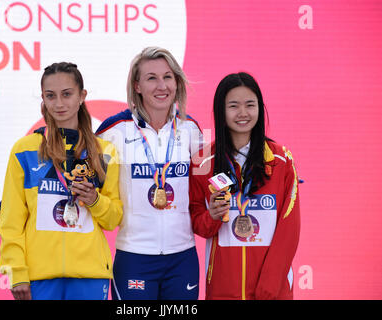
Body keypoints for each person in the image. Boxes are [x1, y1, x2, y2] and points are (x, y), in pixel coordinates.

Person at [0, 62, 123, 300]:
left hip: (90, 275)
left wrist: (95, 200)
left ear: (81, 96)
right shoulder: (24, 150)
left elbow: (113, 218)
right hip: (39, 277)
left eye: (67, 94)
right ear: (43, 100)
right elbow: (11, 220)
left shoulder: (104, 152)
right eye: (50, 96)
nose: (59, 103)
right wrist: (16, 271)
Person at [95, 47, 204, 300]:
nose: (161, 85)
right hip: (134, 256)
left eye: (168, 76)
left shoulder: (192, 130)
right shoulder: (114, 130)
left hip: (182, 257)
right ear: (137, 86)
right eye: (151, 78)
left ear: (177, 82)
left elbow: (210, 184)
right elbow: (74, 170)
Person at [189, 72, 300, 300]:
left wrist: (269, 286)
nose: (243, 113)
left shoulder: (281, 160)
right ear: (221, 110)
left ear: (260, 107)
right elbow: (198, 224)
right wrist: (212, 216)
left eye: (250, 105)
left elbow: (289, 229)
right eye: (233, 106)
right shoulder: (203, 161)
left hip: (273, 291)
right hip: (222, 290)